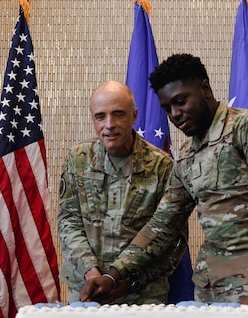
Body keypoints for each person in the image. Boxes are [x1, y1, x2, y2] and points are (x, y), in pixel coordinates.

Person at [81, 54, 248, 318]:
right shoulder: (186, 155)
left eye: (181, 101)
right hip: (210, 287)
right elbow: (163, 224)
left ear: (205, 89)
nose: (175, 114)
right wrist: (113, 274)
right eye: (167, 108)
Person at [58, 80, 189, 304]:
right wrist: (92, 272)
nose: (109, 124)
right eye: (100, 116)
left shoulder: (162, 166)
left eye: (118, 114)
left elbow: (173, 240)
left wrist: (129, 280)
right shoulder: (78, 159)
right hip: (86, 290)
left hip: (143, 293)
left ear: (134, 116)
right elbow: (68, 222)